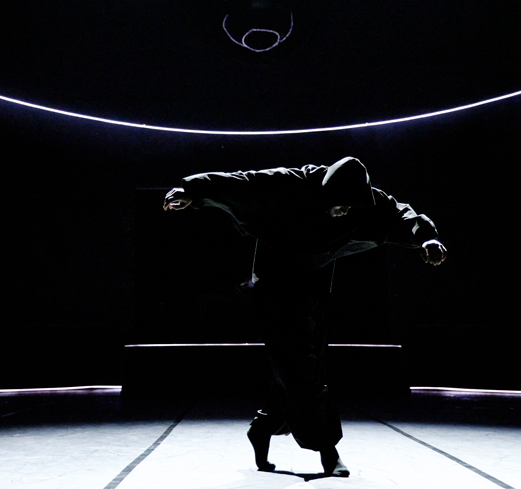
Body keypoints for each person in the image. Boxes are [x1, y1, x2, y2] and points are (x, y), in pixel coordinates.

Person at [163, 156, 446, 477]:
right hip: (275, 282)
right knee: (299, 367)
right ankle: (327, 449)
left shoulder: (366, 201)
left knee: (304, 365)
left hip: (315, 283)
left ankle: (263, 426)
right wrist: (191, 189)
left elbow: (400, 212)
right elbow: (242, 182)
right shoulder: (291, 184)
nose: (345, 212)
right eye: (340, 205)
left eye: (350, 207)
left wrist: (426, 237)